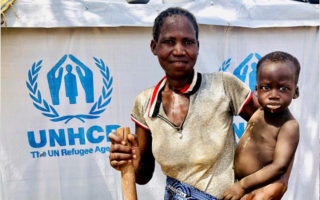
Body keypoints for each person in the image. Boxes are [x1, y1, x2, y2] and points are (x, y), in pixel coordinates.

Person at [109, 7, 283, 200]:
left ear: (197, 47)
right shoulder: (145, 102)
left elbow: (278, 127)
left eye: (188, 42)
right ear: (154, 46)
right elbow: (144, 175)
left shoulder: (224, 85)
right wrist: (132, 162)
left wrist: (277, 183)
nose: (179, 50)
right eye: (169, 41)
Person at [223, 51, 300, 200]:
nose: (273, 94)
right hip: (236, 183)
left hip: (257, 190)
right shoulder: (259, 111)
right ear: (257, 90)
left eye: (283, 88)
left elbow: (279, 166)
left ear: (295, 92)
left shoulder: (289, 126)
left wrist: (243, 185)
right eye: (266, 87)